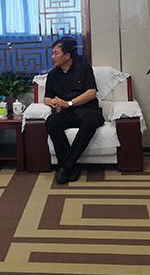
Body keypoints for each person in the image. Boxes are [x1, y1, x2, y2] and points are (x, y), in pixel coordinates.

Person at [43, 37, 105, 184]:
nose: (52, 57)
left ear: (67, 56)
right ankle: (71, 166)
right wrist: (52, 102)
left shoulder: (83, 68)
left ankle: (65, 167)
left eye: (56, 53)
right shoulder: (52, 74)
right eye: (52, 53)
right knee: (52, 121)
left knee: (89, 122)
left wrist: (69, 103)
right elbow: (46, 98)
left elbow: (91, 93)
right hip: (68, 113)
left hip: (89, 110)